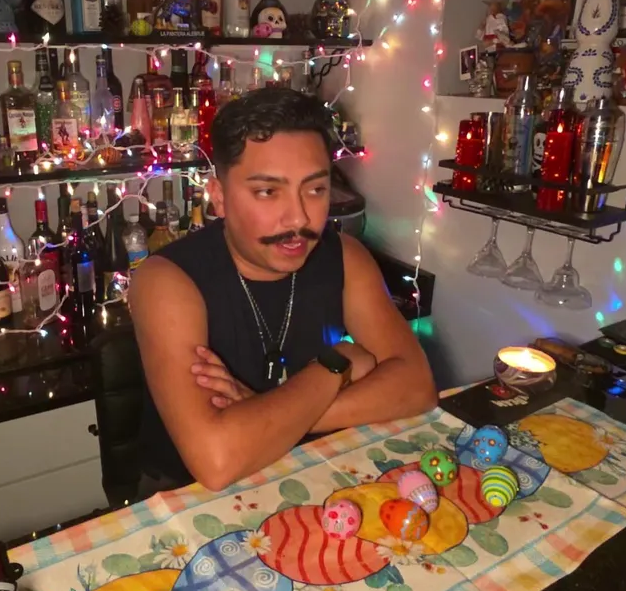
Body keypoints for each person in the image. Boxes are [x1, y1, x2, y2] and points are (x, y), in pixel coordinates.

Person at [129, 87, 436, 494]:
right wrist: (338, 364)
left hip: (311, 470)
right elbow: (217, 461)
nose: (298, 218)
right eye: (268, 191)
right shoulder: (166, 280)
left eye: (315, 189)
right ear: (219, 196)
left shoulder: (344, 256)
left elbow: (418, 386)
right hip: (186, 497)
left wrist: (265, 411)